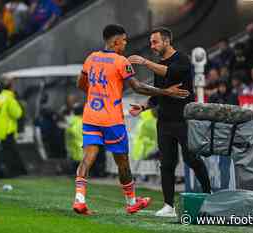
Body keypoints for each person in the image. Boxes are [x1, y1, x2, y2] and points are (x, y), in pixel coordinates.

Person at [72, 24, 189, 215]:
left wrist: (97, 94)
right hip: (112, 120)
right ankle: (132, 201)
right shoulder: (121, 61)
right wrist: (164, 91)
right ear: (116, 41)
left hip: (91, 116)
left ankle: (79, 199)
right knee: (123, 161)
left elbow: (81, 83)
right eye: (124, 40)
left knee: (88, 157)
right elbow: (137, 87)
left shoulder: (91, 58)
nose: (126, 43)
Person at [128, 27, 211, 217]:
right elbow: (158, 93)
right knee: (166, 163)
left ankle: (209, 194)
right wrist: (143, 107)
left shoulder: (181, 59)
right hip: (164, 120)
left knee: (191, 159)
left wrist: (144, 62)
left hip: (184, 119)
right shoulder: (159, 64)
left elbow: (170, 73)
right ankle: (168, 205)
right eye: (151, 42)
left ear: (166, 41)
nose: (152, 45)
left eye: (155, 42)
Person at [0, 78, 25, 177]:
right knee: (9, 153)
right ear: (11, 87)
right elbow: (17, 114)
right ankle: (10, 173)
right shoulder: (9, 98)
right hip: (7, 131)